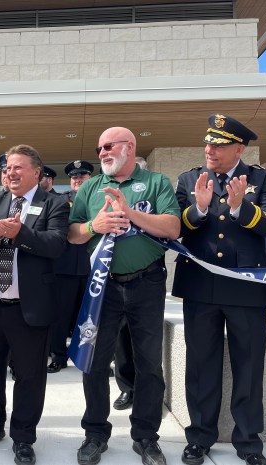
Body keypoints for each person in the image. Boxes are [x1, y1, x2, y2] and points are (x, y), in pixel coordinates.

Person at [172, 114, 266, 465]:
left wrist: (240, 208)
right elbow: (177, 225)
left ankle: (249, 442)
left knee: (249, 367)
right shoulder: (189, 178)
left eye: (218, 145)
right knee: (201, 365)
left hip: (246, 289)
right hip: (200, 286)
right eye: (208, 144)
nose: (210, 150)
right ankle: (200, 437)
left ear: (239, 147)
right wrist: (200, 208)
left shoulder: (262, 179)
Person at [68, 127, 180, 465]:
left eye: (108, 146)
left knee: (149, 365)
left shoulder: (157, 182)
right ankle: (95, 434)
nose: (101, 153)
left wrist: (130, 214)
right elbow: (71, 234)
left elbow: (173, 228)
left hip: (146, 285)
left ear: (129, 148)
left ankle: (145, 437)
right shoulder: (90, 187)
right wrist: (93, 227)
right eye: (99, 148)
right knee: (95, 362)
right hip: (103, 286)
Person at [0, 145, 69, 465]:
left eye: (18, 167)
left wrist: (21, 233)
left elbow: (55, 245)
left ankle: (23, 436)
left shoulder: (55, 204)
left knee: (29, 376)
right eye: (8, 167)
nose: (10, 173)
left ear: (36, 172)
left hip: (29, 306)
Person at [47, 160, 94, 374]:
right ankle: (58, 355)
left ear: (90, 178)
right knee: (60, 316)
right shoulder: (58, 201)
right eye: (74, 177)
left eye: (82, 176)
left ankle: (88, 356)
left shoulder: (100, 199)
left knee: (89, 316)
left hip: (93, 267)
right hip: (63, 268)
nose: (77, 180)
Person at [112, 156, 146, 410]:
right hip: (111, 278)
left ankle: (146, 391)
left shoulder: (151, 195)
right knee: (120, 341)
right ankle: (127, 388)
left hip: (145, 278)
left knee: (145, 345)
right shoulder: (108, 196)